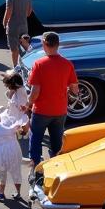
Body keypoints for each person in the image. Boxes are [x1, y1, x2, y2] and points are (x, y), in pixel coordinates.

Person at [25, 32, 79, 168]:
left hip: (41, 111)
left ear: (44, 44)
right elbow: (75, 89)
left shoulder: (39, 64)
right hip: (60, 110)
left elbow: (35, 91)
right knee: (57, 142)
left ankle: (36, 167)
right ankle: (57, 166)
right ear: (58, 44)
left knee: (36, 139)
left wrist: (28, 104)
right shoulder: (67, 64)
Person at [3, 0, 34, 68]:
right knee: (25, 46)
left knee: (14, 49)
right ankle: (27, 65)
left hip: (13, 26)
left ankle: (16, 67)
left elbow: (9, 11)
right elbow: (29, 12)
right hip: (24, 25)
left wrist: (4, 22)